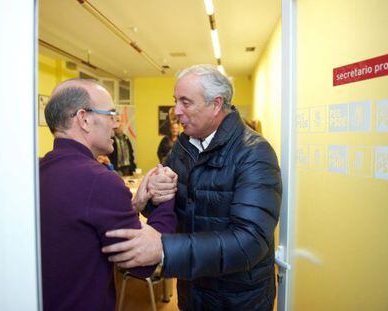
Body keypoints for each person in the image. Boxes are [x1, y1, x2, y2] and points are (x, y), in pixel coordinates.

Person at [103, 65, 283, 310]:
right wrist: (155, 194)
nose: (176, 111)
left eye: (185, 102)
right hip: (193, 291)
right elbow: (170, 209)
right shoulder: (184, 146)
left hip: (237, 298)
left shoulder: (254, 153)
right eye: (176, 101)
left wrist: (164, 249)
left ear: (216, 104)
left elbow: (249, 242)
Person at [39, 78, 177, 311]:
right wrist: (165, 197)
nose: (116, 124)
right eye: (111, 114)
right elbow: (142, 264)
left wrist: (134, 205)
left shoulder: (38, 171)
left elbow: (80, 226)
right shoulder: (100, 181)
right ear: (84, 119)